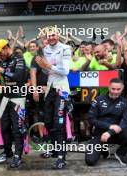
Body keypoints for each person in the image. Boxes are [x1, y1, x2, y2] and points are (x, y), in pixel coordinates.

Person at [34, 26, 72, 169]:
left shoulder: (65, 48)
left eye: (54, 35)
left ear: (58, 35)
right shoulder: (46, 49)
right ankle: (55, 149)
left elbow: (65, 71)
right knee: (48, 122)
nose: (51, 37)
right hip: (50, 88)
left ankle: (62, 157)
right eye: (49, 36)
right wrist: (43, 66)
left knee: (59, 123)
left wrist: (49, 65)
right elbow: (46, 70)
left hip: (62, 88)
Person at [85, 78, 127, 166]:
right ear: (108, 87)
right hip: (100, 134)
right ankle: (103, 148)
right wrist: (109, 127)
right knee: (90, 161)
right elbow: (91, 118)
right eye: (113, 89)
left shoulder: (125, 102)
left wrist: (111, 132)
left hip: (118, 133)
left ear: (122, 89)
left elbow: (126, 122)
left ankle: (121, 153)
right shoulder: (98, 100)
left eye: (118, 89)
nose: (115, 92)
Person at [0, 39, 27, 168]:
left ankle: (18, 156)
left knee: (17, 128)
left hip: (18, 97)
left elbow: (18, 76)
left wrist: (3, 71)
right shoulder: (4, 61)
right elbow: (0, 80)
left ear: (6, 48)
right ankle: (8, 152)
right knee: (4, 126)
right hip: (5, 97)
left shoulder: (19, 59)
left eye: (0, 52)